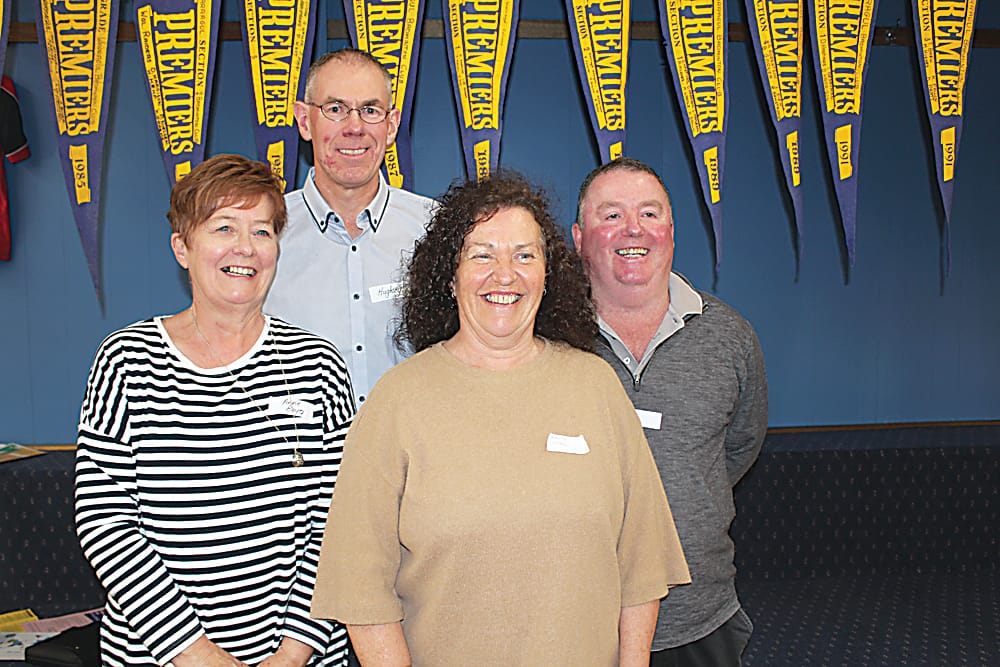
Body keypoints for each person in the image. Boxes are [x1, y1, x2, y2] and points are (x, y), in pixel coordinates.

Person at [311, 173, 691, 666]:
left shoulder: (596, 387)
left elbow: (640, 568)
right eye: (482, 254)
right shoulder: (397, 402)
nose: (504, 274)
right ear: (449, 276)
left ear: (548, 274)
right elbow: (361, 588)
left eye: (524, 255)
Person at [75, 155, 355, 667]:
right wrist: (200, 657)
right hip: (160, 656)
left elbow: (339, 524)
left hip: (301, 655)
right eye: (224, 227)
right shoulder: (126, 361)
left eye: (262, 231)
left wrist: (291, 656)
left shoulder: (316, 363)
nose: (245, 248)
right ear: (182, 247)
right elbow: (105, 521)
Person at [572, 157, 768, 667]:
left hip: (700, 620)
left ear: (671, 232)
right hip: (573, 623)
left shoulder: (729, 336)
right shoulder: (546, 340)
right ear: (578, 237)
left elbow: (739, 448)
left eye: (650, 214)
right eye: (610, 215)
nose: (633, 229)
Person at [264, 48, 435, 406]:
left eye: (370, 110)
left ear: (391, 126)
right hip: (301, 458)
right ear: (304, 121)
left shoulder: (434, 229)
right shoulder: (264, 235)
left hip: (412, 458)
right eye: (336, 109)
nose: (354, 127)